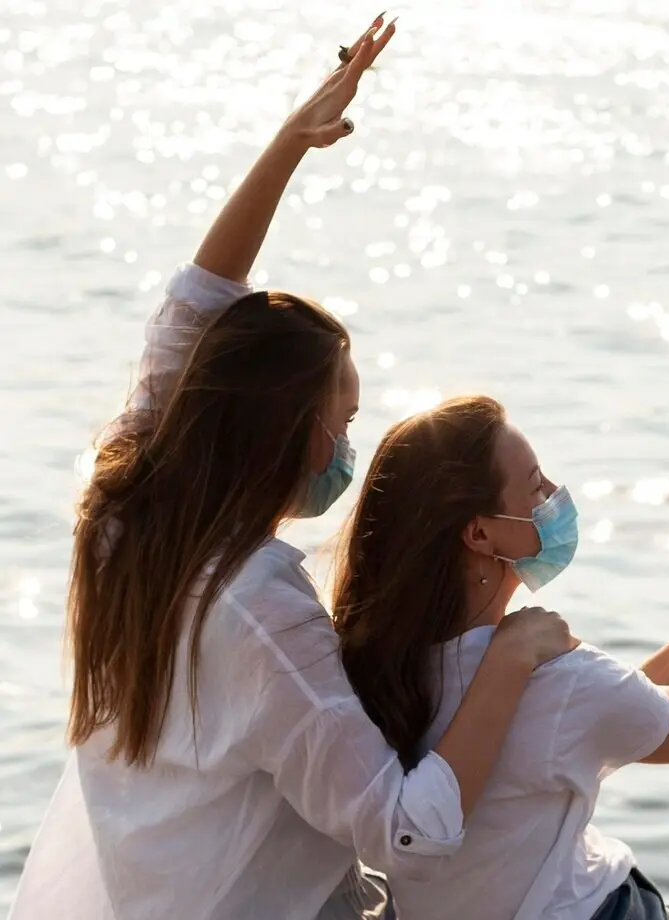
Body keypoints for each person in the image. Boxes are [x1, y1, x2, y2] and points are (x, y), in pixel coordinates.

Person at [8, 18, 575, 920]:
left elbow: (191, 310)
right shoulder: (262, 608)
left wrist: (288, 146)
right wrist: (513, 654)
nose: (351, 447)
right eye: (343, 422)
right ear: (288, 433)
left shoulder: (119, 519)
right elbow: (407, 829)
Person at [331, 396, 669, 920]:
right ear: (479, 532)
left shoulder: (382, 667)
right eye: (535, 485)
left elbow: (544, 752)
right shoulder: (552, 676)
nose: (553, 495)